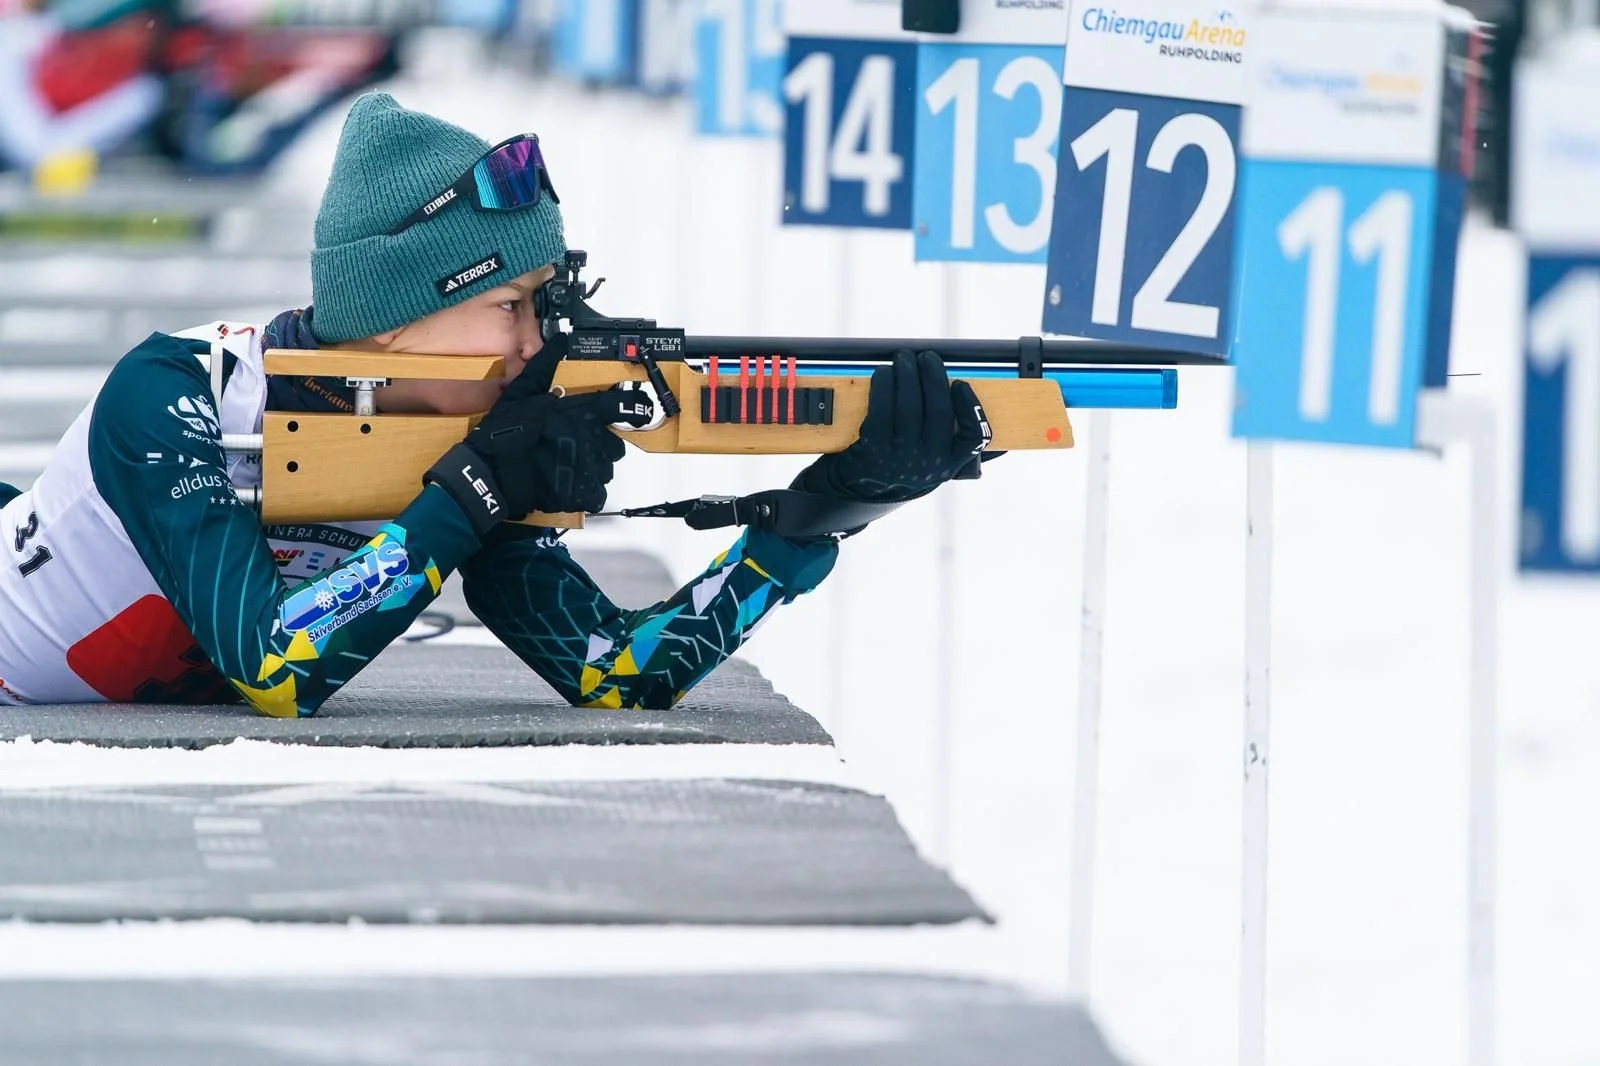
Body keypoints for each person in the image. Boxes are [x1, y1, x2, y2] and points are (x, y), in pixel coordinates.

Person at [0, 91, 990, 716]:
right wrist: (471, 491)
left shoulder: (458, 430)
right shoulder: (177, 393)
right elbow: (275, 669)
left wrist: (825, 510)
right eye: (512, 306)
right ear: (394, 319)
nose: (532, 345)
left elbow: (617, 672)